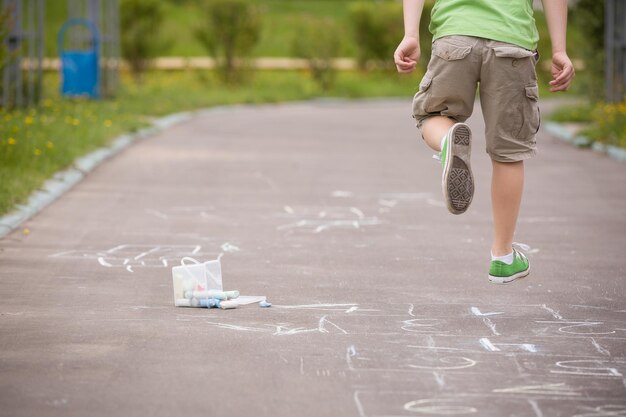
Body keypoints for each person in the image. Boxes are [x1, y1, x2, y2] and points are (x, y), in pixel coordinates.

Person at [394, 0, 575, 283]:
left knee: (432, 115)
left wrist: (411, 34)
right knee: (509, 151)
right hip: (512, 41)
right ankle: (503, 256)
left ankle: (446, 141)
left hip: (454, 36)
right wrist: (560, 50)